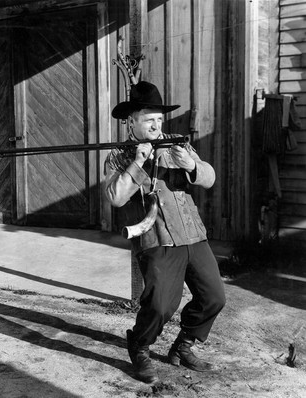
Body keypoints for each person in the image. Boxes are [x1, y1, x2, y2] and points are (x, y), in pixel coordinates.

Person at [105, 81, 226, 384]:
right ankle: (140, 347)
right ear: (131, 121)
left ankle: (183, 346)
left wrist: (192, 166)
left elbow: (209, 178)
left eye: (160, 120)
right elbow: (116, 197)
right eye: (149, 120)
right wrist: (138, 162)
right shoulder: (119, 154)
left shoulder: (177, 143)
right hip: (156, 239)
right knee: (160, 305)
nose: (157, 126)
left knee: (214, 296)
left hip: (192, 234)